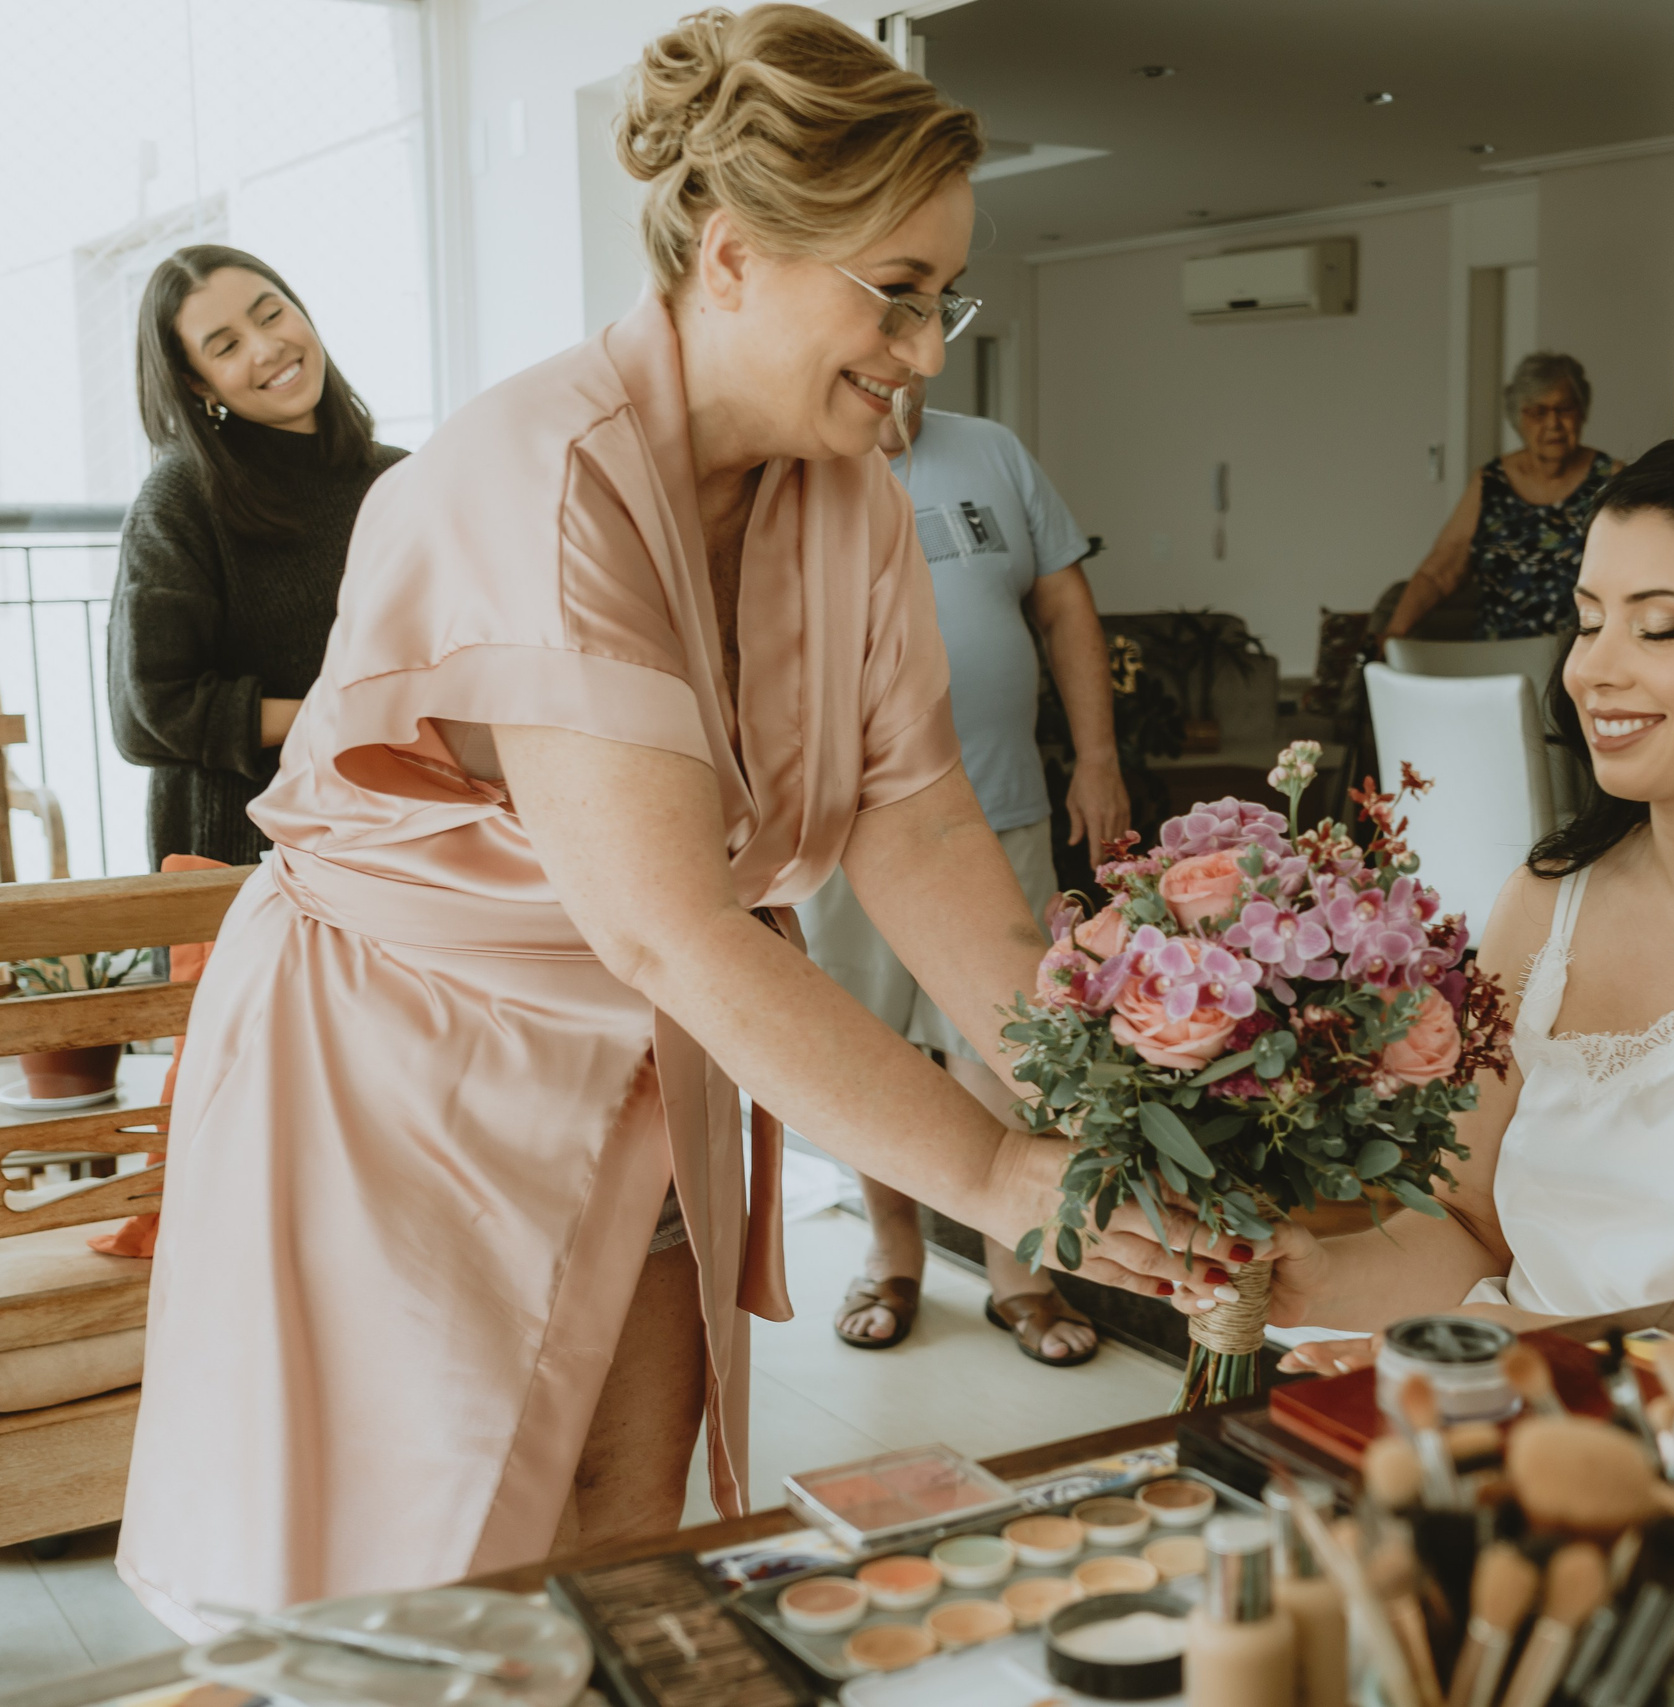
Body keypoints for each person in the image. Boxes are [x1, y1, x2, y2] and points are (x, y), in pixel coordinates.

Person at [114, 5, 1158, 1632]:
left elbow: (928, 831)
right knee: (418, 1583)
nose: (925, 350)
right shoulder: (544, 478)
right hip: (404, 1066)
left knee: (626, 1524)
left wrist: (1109, 1115)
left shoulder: (856, 501)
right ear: (732, 253)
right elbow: (665, 917)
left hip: (653, 1042)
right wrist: (1008, 1178)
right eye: (894, 292)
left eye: (946, 298)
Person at [1094, 419, 1674, 1351]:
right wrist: (1310, 1279)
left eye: (1659, 627)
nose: (1594, 670)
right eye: (1589, 619)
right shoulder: (1546, 901)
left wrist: (1477, 1360)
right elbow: (1468, 1228)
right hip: (1497, 1416)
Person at [808, 378, 1129, 1365]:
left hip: (1002, 808)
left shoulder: (991, 450)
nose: (900, 358)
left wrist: (1097, 756)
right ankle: (892, 1251)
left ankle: (1017, 1272)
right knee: (870, 1050)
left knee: (1008, 1049)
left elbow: (1066, 607)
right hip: (844, 826)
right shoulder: (795, 460)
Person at [108, 247, 406, 867]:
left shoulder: (404, 478)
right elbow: (154, 712)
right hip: (245, 852)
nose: (266, 348)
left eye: (271, 316)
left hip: (401, 824)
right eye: (226, 346)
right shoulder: (181, 499)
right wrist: (353, 719)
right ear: (196, 383)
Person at [1385, 352, 1618, 640]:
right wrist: (1394, 632)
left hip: (1578, 653)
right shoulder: (1490, 481)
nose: (1553, 423)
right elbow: (1442, 569)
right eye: (1537, 412)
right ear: (1517, 419)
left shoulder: (1612, 478)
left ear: (1582, 412)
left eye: (1565, 409)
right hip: (1496, 654)